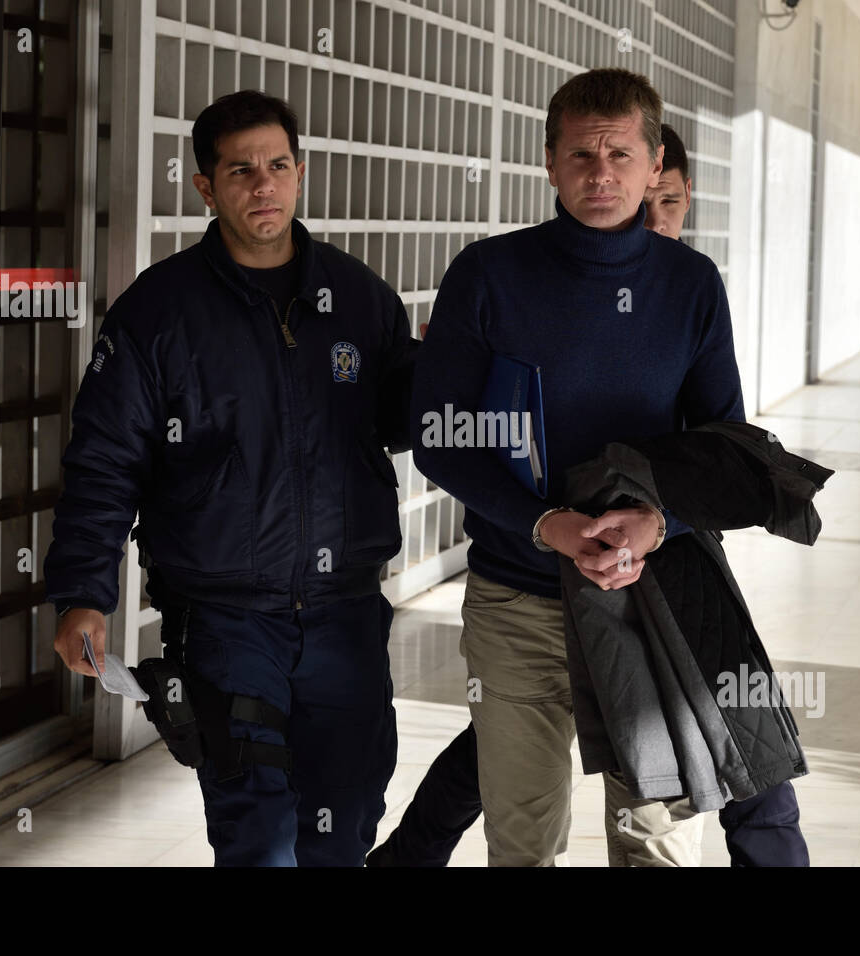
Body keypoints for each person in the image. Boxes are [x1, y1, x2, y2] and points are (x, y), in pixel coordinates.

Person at [405, 68, 809, 867]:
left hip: (651, 598)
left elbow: (721, 445)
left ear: (656, 162)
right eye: (581, 155)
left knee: (655, 842)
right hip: (518, 599)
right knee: (522, 839)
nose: (601, 173)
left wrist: (661, 523)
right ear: (549, 162)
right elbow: (438, 435)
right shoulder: (488, 275)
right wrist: (544, 523)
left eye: (621, 154)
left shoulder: (691, 286)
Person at [44, 90, 418, 867]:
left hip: (345, 614)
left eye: (278, 165)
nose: (263, 185)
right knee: (259, 832)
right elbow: (106, 457)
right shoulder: (158, 312)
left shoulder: (357, 298)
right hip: (223, 620)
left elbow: (410, 419)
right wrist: (85, 588)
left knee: (344, 823)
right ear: (206, 187)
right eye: (240, 170)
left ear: (300, 172)